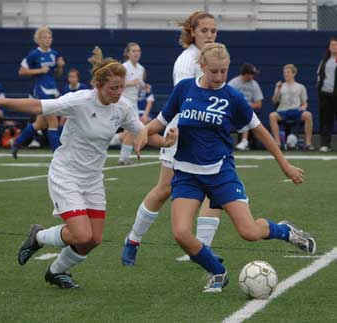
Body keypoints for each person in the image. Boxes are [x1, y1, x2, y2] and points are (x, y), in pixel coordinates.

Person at [0, 46, 176, 289]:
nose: (119, 92)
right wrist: (1, 101)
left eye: (121, 86)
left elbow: (141, 132)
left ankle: (55, 272)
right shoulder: (79, 101)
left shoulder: (122, 106)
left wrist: (165, 141)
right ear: (98, 85)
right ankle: (38, 237)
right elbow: (38, 106)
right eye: (113, 87)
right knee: (82, 235)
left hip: (92, 178)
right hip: (66, 174)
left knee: (94, 240)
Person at [135, 43, 316, 293]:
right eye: (214, 72)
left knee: (250, 232)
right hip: (187, 174)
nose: (219, 77)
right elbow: (159, 122)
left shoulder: (232, 97)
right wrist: (144, 132)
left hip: (220, 173)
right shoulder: (184, 89)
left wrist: (284, 164)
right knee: (181, 234)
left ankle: (285, 231)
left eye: (223, 71)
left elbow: (261, 131)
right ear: (202, 67)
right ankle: (218, 272)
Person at [121, 11, 222, 266]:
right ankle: (132, 240)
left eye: (213, 30)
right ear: (192, 33)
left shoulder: (214, 55)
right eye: (204, 31)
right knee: (164, 189)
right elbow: (188, 103)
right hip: (182, 133)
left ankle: (202, 250)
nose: (210, 35)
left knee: (216, 191)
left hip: (207, 135)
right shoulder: (187, 61)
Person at [12, 26, 65, 158]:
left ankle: (16, 143)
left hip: (52, 89)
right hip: (41, 90)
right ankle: (58, 155)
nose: (47, 40)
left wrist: (60, 66)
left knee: (40, 124)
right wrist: (39, 71)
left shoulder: (55, 53)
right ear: (38, 40)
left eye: (49, 37)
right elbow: (21, 71)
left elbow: (57, 74)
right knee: (53, 121)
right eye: (44, 37)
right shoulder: (34, 54)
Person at [269, 64, 314, 150]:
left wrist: (303, 108)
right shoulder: (280, 86)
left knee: (308, 115)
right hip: (282, 111)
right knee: (272, 116)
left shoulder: (300, 87)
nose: (286, 74)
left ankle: (308, 143)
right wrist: (278, 89)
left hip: (296, 111)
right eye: (285, 72)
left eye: (288, 72)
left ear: (294, 73)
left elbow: (304, 103)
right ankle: (277, 144)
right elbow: (274, 101)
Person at [117, 42, 145, 165]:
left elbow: (140, 84)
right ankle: (124, 157)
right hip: (122, 101)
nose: (136, 53)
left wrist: (144, 86)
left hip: (134, 103)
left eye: (138, 51)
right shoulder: (123, 67)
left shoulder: (141, 68)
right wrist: (130, 83)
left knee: (131, 131)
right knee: (132, 129)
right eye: (133, 51)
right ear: (128, 53)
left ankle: (124, 157)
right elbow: (117, 85)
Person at [230, 63, 264, 151]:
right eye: (252, 74)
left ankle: (244, 141)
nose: (253, 76)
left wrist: (245, 106)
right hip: (233, 109)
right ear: (246, 74)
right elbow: (226, 98)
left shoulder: (254, 84)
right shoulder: (233, 83)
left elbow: (259, 103)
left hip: (247, 110)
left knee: (246, 113)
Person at [317, 37, 337, 152]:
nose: (334, 47)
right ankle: (325, 144)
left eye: (336, 45)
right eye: (332, 45)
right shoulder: (324, 61)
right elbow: (319, 76)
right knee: (326, 121)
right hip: (326, 95)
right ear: (329, 48)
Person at [58, 68, 89, 134]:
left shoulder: (84, 87)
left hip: (81, 110)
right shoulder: (65, 88)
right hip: (68, 110)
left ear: (78, 78)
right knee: (62, 119)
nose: (72, 78)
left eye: (74, 77)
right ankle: (60, 138)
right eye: (70, 76)